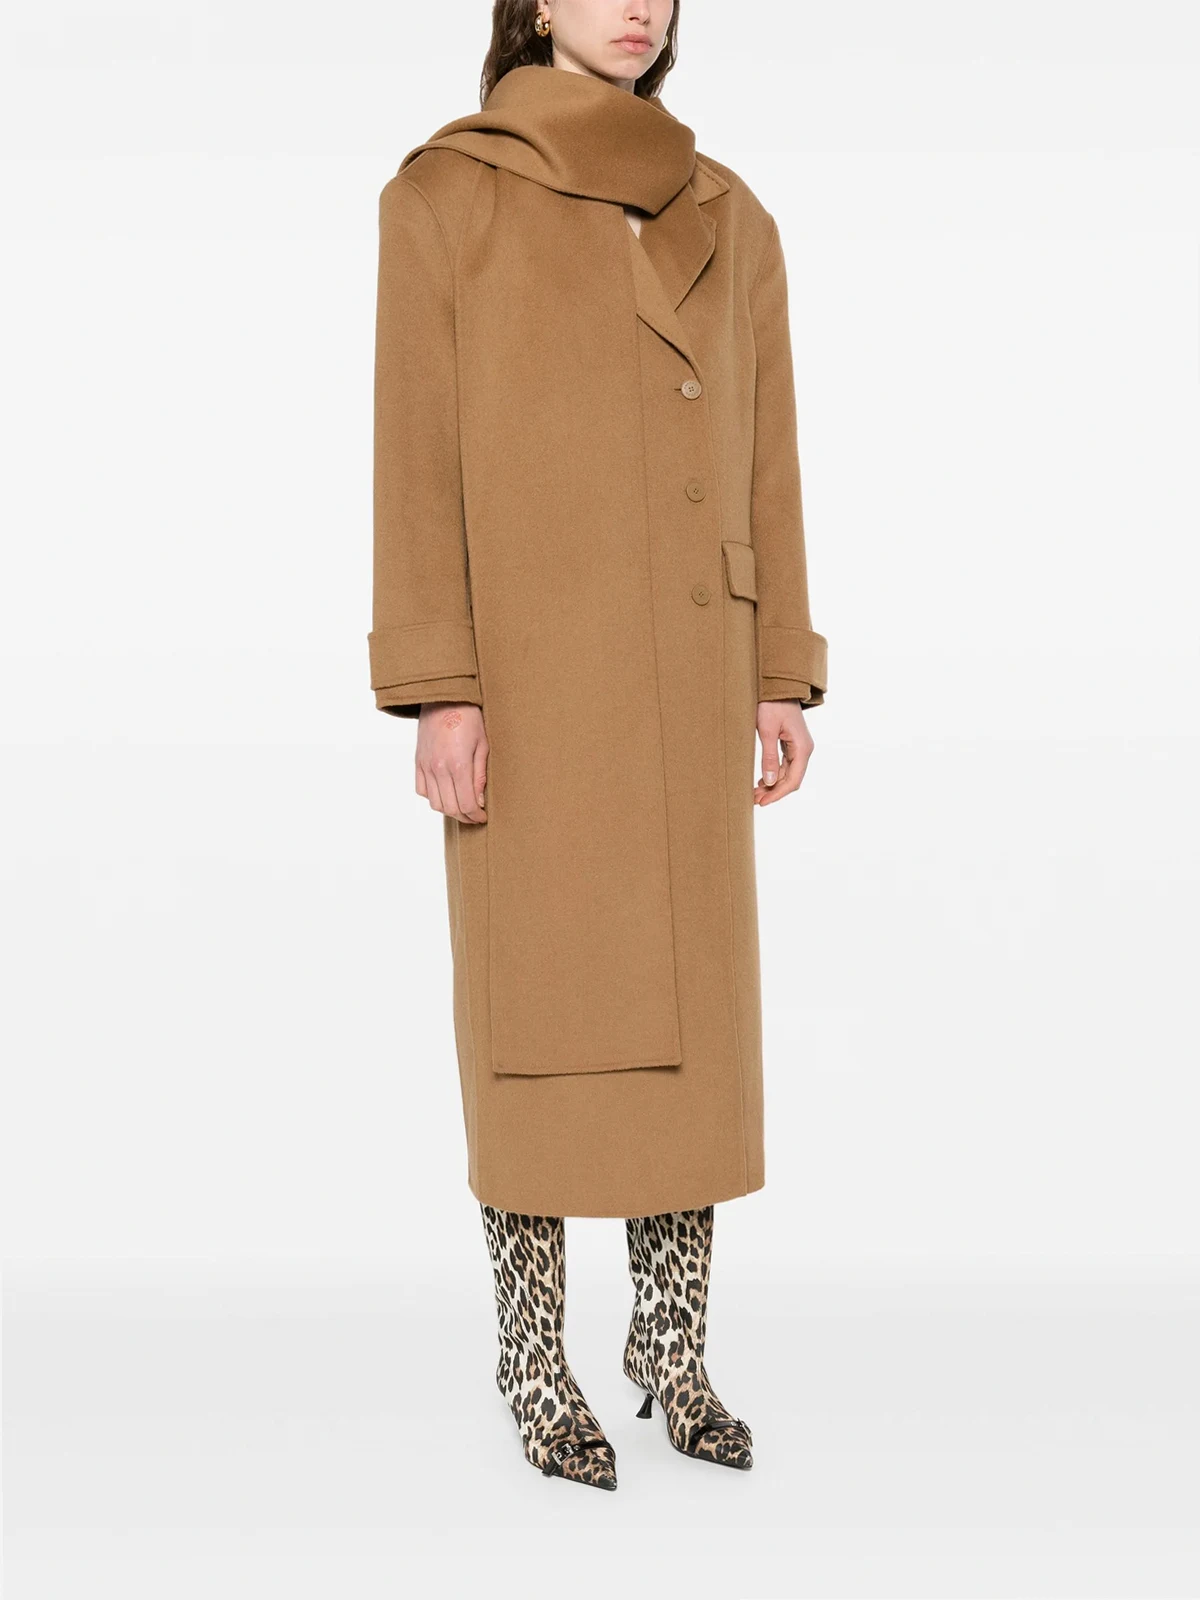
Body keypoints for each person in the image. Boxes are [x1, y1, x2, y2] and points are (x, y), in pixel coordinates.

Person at [368, 0, 827, 1491]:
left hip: (691, 677)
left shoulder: (731, 212)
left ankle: (671, 1354)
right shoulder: (446, 195)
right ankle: (533, 1361)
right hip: (535, 688)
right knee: (539, 1031)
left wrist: (778, 670)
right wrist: (441, 688)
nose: (639, 2)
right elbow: (414, 463)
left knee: (692, 1039)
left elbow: (767, 460)